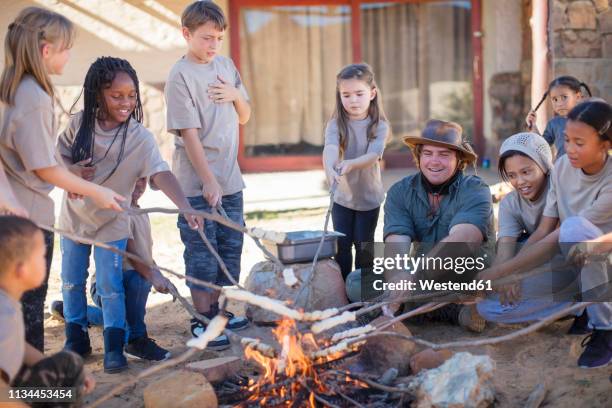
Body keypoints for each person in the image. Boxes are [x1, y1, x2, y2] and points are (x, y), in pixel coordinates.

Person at [57, 57, 198, 374]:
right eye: (116, 95)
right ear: (97, 94)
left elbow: (160, 173)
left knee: (111, 285)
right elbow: (59, 157)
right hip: (74, 219)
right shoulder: (80, 124)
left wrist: (184, 205)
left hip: (113, 222)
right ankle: (75, 340)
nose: (126, 102)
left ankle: (114, 348)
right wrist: (71, 171)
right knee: (71, 282)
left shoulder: (139, 137)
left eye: (131, 95)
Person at [0, 7, 124, 352]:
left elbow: (27, 155)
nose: (70, 55)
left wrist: (70, 177)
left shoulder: (13, 87)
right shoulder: (34, 97)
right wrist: (94, 190)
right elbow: (42, 168)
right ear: (46, 51)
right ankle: (30, 397)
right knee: (27, 318)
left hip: (12, 219)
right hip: (26, 225)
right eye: (67, 47)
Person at [479, 99, 611, 368]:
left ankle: (605, 329)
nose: (570, 149)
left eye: (580, 143)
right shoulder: (563, 168)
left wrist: (501, 272)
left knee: (573, 228)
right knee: (490, 307)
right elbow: (542, 230)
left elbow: (560, 233)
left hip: (601, 261)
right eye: (567, 140)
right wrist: (508, 272)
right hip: (572, 259)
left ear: (606, 144)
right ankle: (582, 306)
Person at [165, 0, 251, 350]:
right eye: (205, 38)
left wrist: (235, 95)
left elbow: (244, 115)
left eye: (218, 38)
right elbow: (189, 135)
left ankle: (223, 312)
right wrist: (208, 180)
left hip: (231, 180)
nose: (213, 45)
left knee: (230, 249)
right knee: (202, 252)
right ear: (186, 34)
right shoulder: (179, 76)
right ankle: (202, 319)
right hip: (197, 184)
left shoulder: (227, 66)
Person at [377, 119, 494, 332]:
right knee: (358, 282)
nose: (435, 162)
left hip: (464, 273)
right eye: (428, 153)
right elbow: (396, 243)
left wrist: (413, 278)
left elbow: (464, 240)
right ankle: (454, 311)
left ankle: (444, 308)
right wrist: (397, 278)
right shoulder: (400, 191)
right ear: (418, 156)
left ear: (459, 160)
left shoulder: (476, 189)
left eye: (444, 154)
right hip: (422, 277)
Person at [50, 178, 173, 361]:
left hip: (128, 287)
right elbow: (132, 254)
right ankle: (136, 339)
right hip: (108, 286)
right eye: (135, 179)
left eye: (143, 180)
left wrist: (161, 276)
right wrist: (152, 275)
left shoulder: (141, 212)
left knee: (120, 320)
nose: (139, 185)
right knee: (138, 282)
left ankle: (69, 310)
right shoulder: (119, 213)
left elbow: (146, 256)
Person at [475, 132, 579, 324]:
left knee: (500, 305)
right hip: (535, 260)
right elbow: (505, 248)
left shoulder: (560, 188)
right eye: (512, 175)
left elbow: (553, 239)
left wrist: (513, 272)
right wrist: (500, 277)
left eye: (526, 172)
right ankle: (560, 305)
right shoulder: (510, 204)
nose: (520, 182)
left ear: (545, 166)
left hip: (568, 260)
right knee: (487, 306)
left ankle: (577, 304)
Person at [0, 216, 95, 407]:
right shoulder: (5, 314)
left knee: (69, 365)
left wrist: (48, 366)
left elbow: (16, 344)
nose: (46, 261)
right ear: (22, 270)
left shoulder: (6, 301)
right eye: (41, 256)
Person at [322, 63, 389, 279]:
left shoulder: (379, 126)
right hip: (342, 197)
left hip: (369, 198)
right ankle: (342, 296)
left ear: (372, 93)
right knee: (341, 247)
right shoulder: (335, 124)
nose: (353, 100)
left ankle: (363, 296)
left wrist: (350, 164)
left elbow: (373, 155)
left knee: (364, 247)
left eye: (359, 94)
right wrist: (329, 169)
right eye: (346, 95)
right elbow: (330, 148)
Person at [525, 75, 591, 159]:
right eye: (555, 99)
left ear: (578, 97)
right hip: (562, 169)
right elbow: (542, 147)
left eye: (564, 97)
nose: (559, 104)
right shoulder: (553, 124)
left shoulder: (588, 120)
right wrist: (533, 125)